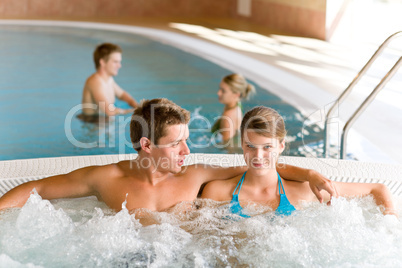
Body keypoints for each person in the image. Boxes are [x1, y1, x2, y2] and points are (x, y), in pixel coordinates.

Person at [0, 99, 337, 217]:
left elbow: (258, 164)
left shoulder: (195, 174)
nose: (187, 152)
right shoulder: (106, 179)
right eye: (177, 144)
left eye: (186, 141)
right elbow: (36, 187)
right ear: (146, 145)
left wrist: (308, 172)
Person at [202, 106, 396, 217]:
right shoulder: (217, 192)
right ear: (242, 145)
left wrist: (389, 229)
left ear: (281, 146)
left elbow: (378, 189)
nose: (258, 156)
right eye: (250, 146)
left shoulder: (304, 191)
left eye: (267, 147)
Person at [78, 43, 139, 122]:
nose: (119, 66)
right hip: (92, 124)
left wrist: (137, 106)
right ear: (102, 62)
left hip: (102, 121)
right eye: (115, 62)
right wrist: (131, 111)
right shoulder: (95, 82)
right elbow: (109, 111)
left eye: (119, 62)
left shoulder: (109, 80)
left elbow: (123, 95)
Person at [211, 74, 255, 144]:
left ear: (236, 94)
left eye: (223, 91)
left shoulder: (228, 116)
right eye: (220, 89)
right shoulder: (237, 105)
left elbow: (227, 146)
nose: (218, 93)